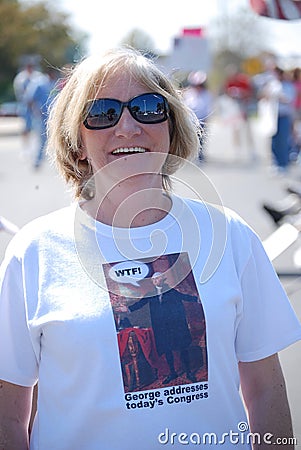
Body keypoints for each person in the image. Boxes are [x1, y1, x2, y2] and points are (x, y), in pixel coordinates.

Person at [0, 47, 300, 450]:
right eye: (102, 112)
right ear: (76, 144)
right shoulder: (33, 251)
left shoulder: (230, 235)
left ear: (172, 128)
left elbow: (264, 392)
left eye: (147, 107)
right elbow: (10, 413)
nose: (127, 126)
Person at [122, 272, 200, 384]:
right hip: (162, 328)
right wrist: (128, 309)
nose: (155, 281)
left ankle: (188, 372)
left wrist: (197, 299)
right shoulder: (151, 293)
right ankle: (172, 373)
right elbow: (141, 303)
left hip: (175, 327)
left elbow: (184, 297)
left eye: (157, 279)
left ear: (162, 279)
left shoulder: (170, 291)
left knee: (182, 349)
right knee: (167, 350)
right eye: (154, 280)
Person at [183, 70, 213, 161]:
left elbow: (208, 108)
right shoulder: (189, 94)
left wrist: (206, 119)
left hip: (202, 121)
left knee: (201, 139)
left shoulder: (207, 94)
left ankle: (200, 155)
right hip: (190, 121)